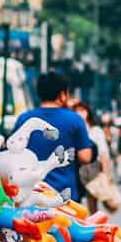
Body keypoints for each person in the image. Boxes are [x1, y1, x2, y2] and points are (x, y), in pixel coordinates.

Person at [11, 72, 96, 206]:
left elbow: (13, 153)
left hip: (30, 192)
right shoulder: (75, 120)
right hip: (65, 194)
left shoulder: (24, 119)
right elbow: (85, 157)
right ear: (62, 95)